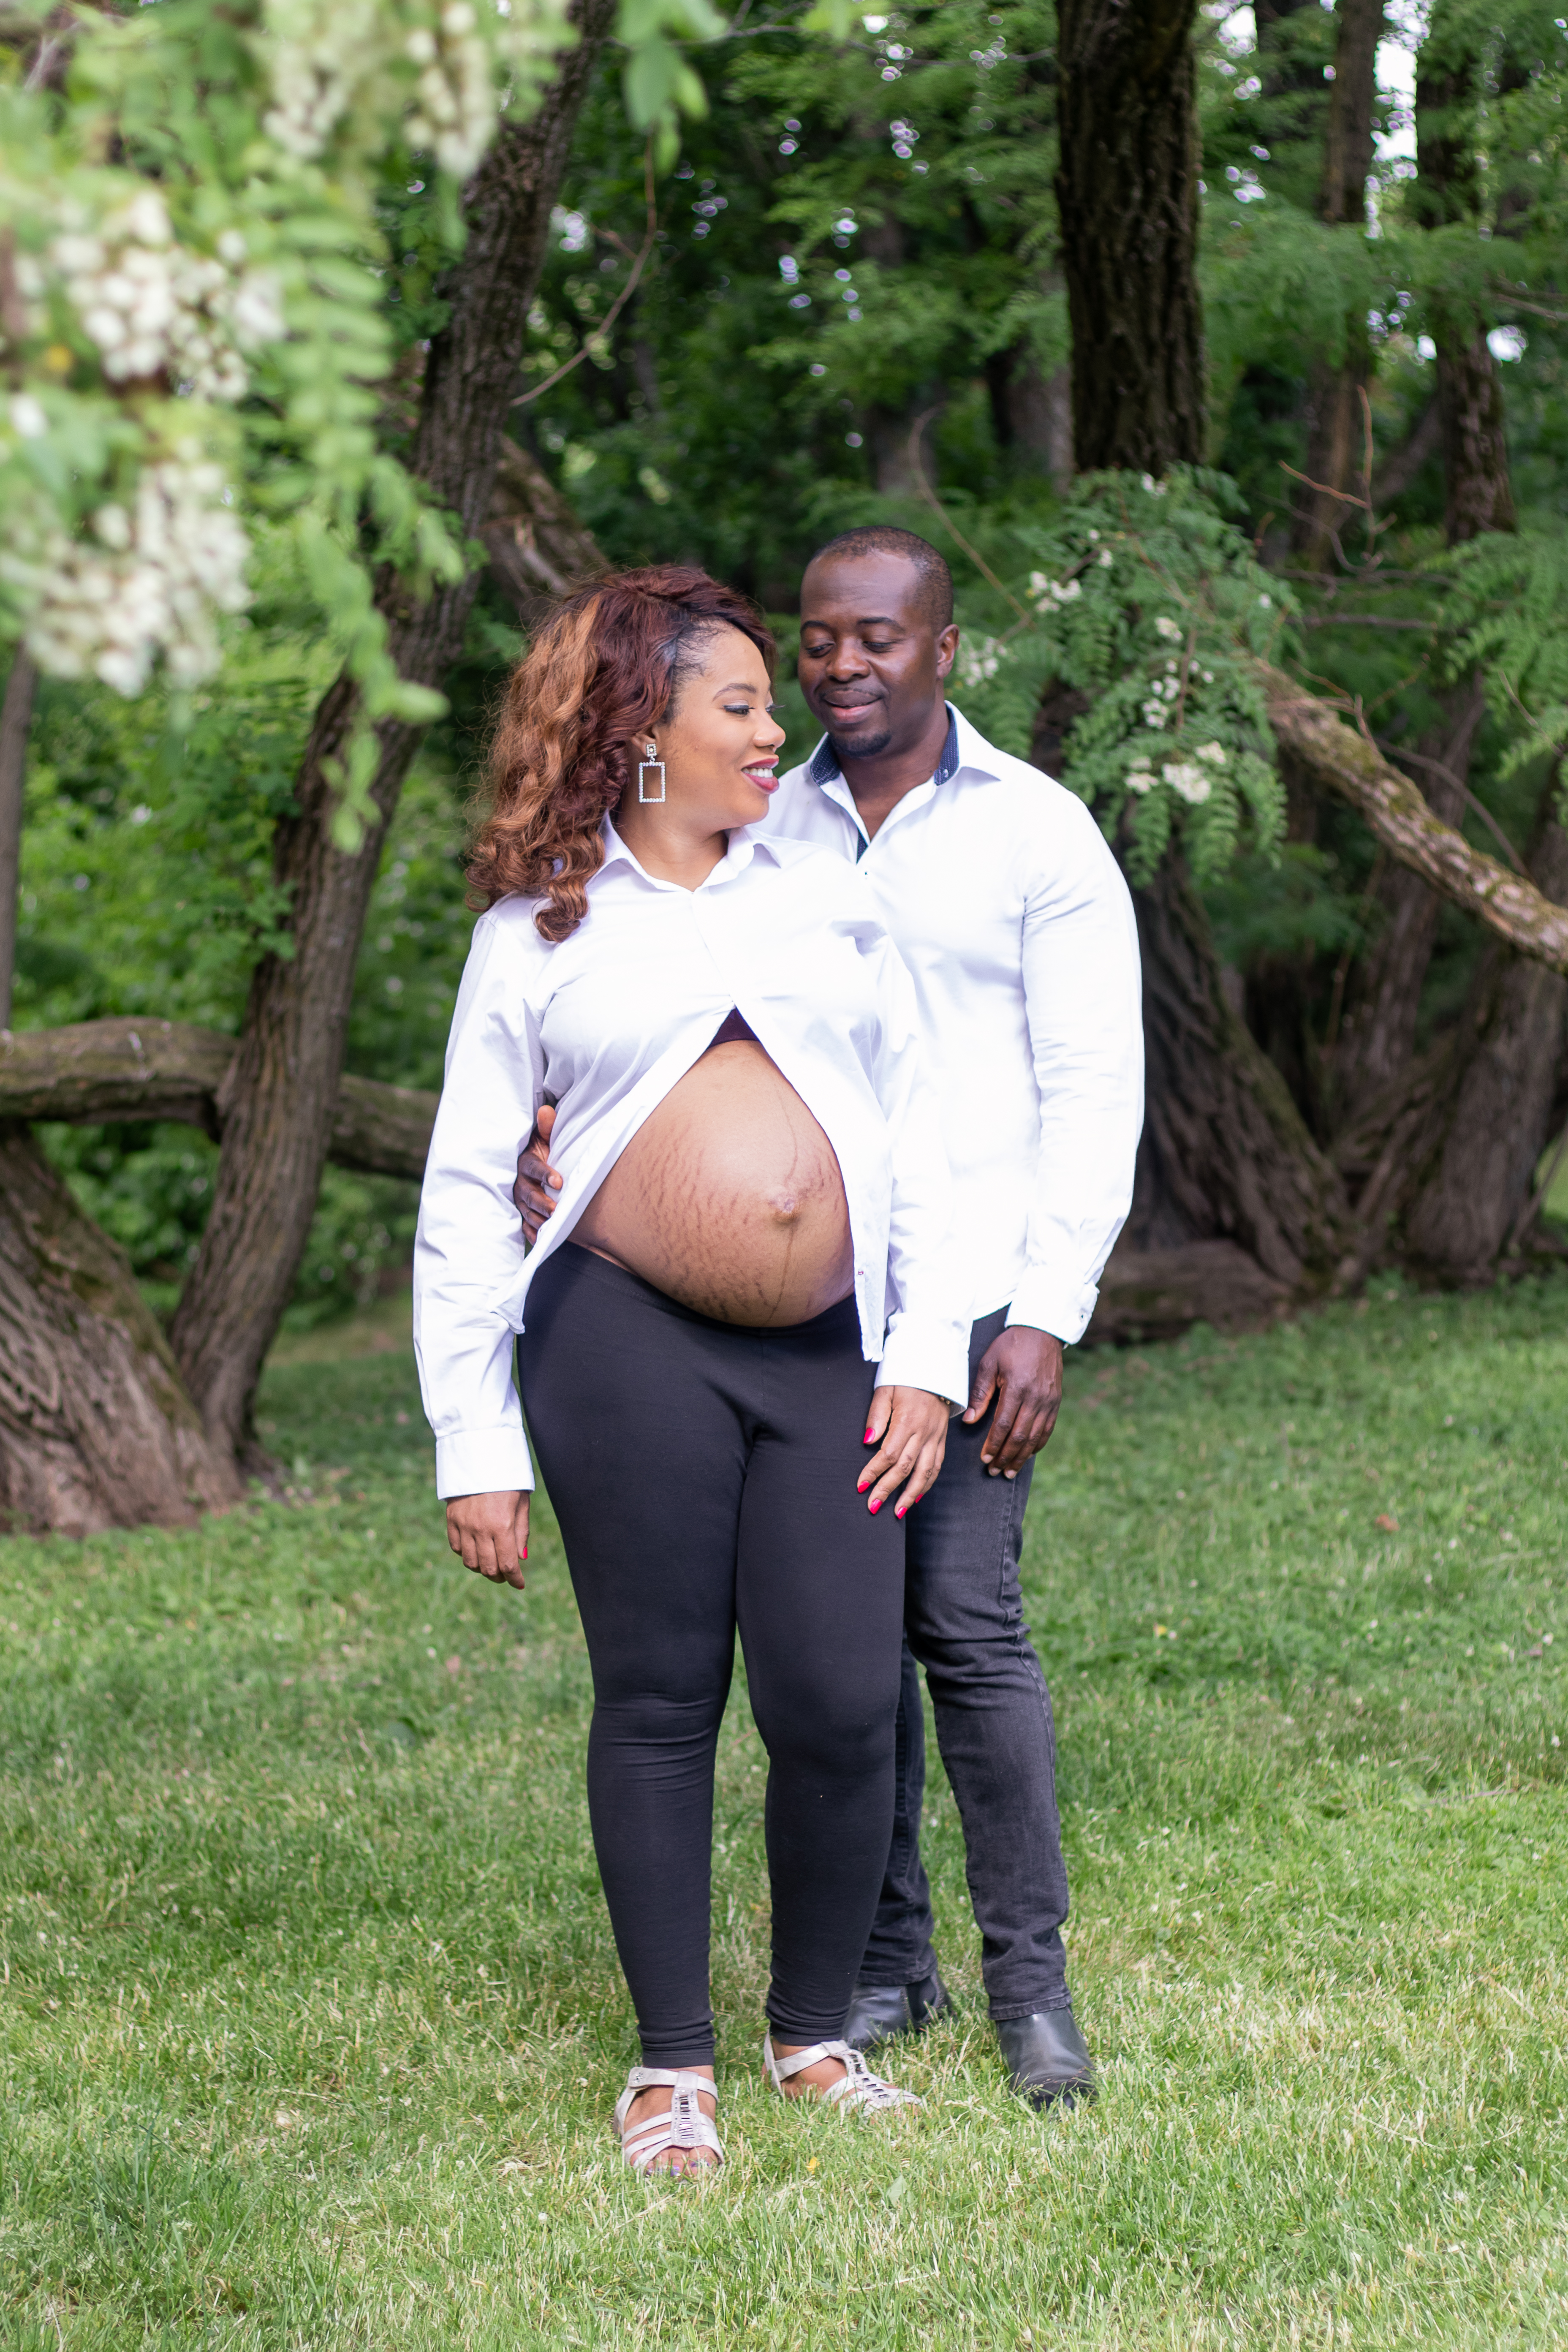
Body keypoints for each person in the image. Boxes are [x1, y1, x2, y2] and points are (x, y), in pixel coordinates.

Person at [516, 529, 1144, 2106]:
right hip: (818, 1310)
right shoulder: (757, 811)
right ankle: (883, 1962)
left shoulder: (1036, 831)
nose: (840, 665)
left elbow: (1093, 1088)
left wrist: (1044, 1310)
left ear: (945, 648)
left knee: (961, 1622)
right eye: (817, 639)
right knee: (840, 1649)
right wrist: (561, 1145)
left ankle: (1031, 1989)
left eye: (876, 636)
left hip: (973, 1292)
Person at [414, 566, 971, 2179]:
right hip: (622, 1337)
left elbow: (921, 1129)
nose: (774, 730)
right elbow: (468, 1186)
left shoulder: (822, 889)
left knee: (841, 1701)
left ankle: (813, 2038)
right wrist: (473, 1440)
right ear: (639, 728)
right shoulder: (538, 930)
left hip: (830, 1357)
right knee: (660, 1696)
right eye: (739, 704)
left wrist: (924, 1352)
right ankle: (671, 2069)